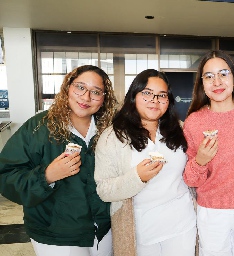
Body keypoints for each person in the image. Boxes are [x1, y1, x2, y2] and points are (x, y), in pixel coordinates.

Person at [0, 65, 117, 256]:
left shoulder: (110, 131)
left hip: (103, 231)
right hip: (56, 235)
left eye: (96, 92)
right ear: (68, 88)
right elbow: (6, 176)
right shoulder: (38, 128)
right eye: (80, 87)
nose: (86, 97)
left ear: (104, 98)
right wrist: (46, 176)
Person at [94, 69, 196, 256]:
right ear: (134, 96)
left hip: (182, 225)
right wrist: (137, 177)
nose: (155, 100)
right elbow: (104, 190)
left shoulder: (179, 129)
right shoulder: (113, 136)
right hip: (140, 231)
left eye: (162, 95)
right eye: (147, 93)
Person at [183, 50, 234, 256]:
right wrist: (200, 161)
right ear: (202, 83)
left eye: (223, 73)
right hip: (211, 211)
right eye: (209, 76)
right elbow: (190, 179)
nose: (217, 81)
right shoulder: (194, 122)